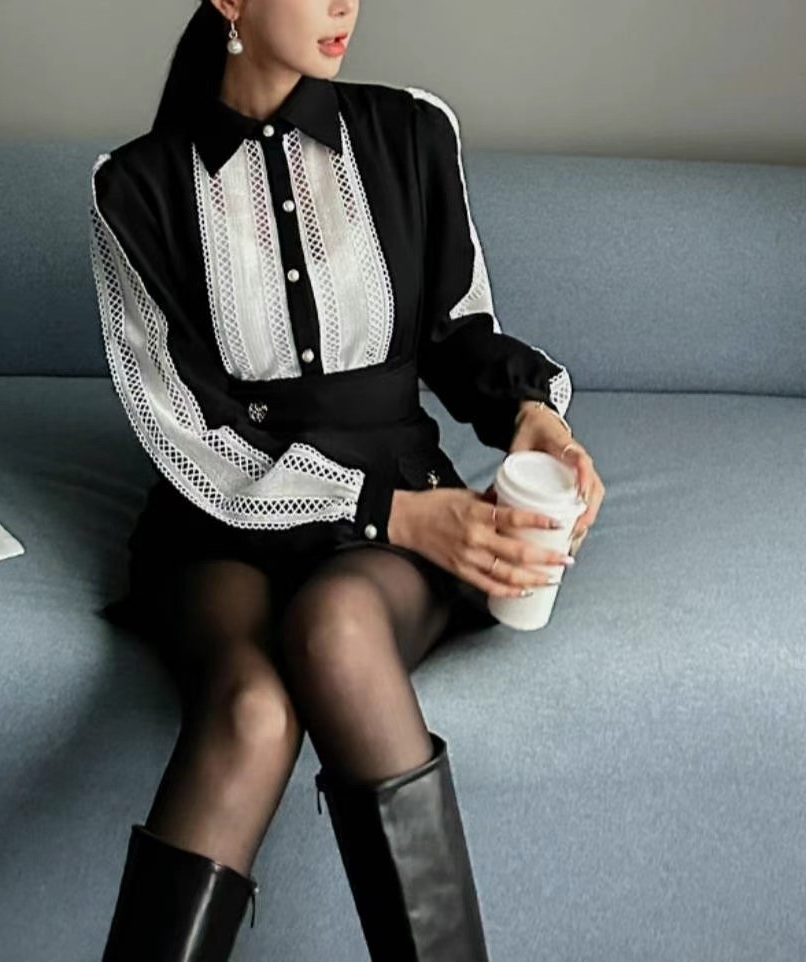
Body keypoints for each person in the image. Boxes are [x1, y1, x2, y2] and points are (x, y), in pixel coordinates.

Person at [90, 1, 606, 959]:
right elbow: (185, 430)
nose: (344, 5)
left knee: (335, 629)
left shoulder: (411, 131)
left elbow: (459, 335)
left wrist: (535, 417)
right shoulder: (136, 188)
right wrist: (391, 515)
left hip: (396, 504)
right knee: (251, 712)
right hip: (225, 520)